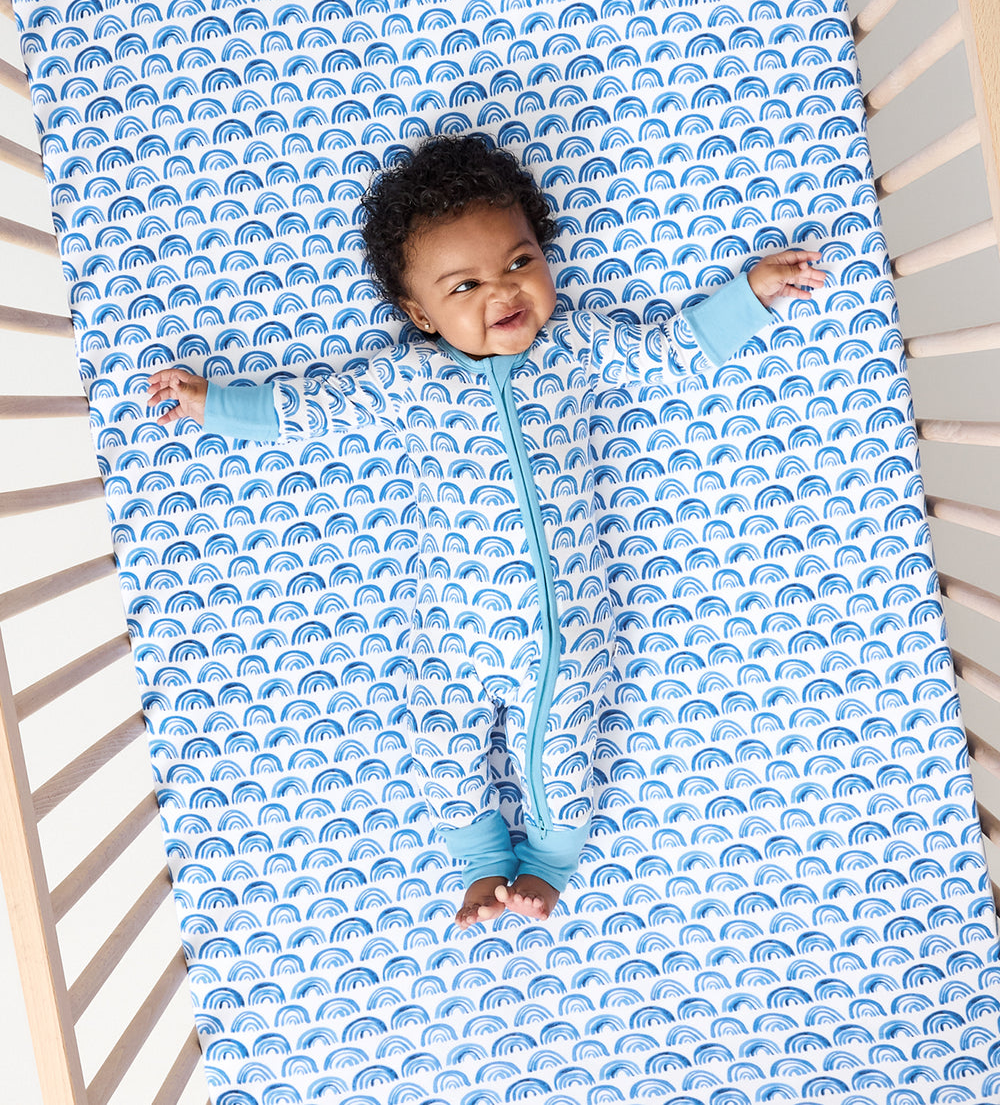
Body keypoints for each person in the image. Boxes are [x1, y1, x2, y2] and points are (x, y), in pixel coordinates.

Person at [147, 134, 825, 931]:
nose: (502, 292)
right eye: (463, 284)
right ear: (418, 314)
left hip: (568, 630)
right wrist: (211, 402)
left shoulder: (575, 344)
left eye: (518, 262)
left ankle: (546, 865)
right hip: (452, 630)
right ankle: (478, 865)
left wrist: (753, 293)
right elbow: (311, 410)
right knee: (438, 737)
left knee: (564, 748)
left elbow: (671, 350)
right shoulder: (410, 380)